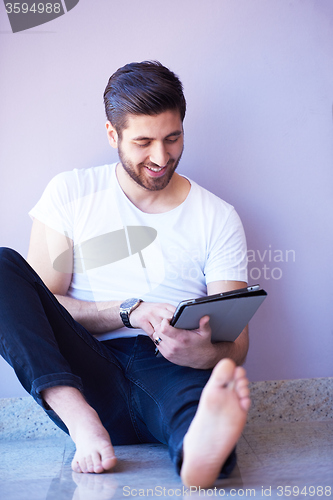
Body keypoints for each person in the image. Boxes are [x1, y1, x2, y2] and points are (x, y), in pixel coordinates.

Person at [0, 61, 251, 489]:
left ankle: (201, 454)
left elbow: (237, 345)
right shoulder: (70, 193)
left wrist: (202, 354)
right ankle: (81, 422)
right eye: (143, 142)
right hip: (86, 375)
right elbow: (45, 307)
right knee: (2, 267)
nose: (160, 156)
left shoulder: (218, 217)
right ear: (113, 135)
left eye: (173, 138)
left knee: (194, 404)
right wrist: (128, 311)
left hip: (168, 366)